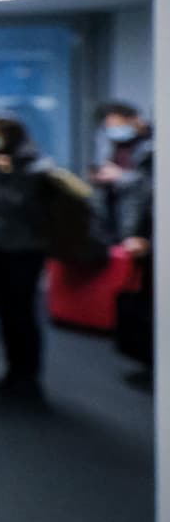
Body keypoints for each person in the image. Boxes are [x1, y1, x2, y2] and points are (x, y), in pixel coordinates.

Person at [0, 116, 57, 401]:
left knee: (22, 312)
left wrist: (8, 176)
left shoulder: (35, 167)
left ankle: (28, 375)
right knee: (5, 311)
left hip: (24, 249)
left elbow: (26, 207)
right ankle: (10, 369)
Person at [91, 102, 154, 388]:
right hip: (126, 228)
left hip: (148, 231)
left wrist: (121, 178)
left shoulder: (152, 148)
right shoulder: (115, 147)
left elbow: (152, 189)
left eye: (117, 123)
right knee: (138, 297)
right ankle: (147, 359)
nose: (113, 130)